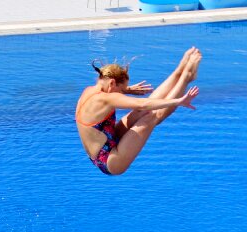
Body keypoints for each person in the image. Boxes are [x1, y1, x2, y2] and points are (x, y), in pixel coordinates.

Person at [75, 47, 201, 175]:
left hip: (105, 144)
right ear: (112, 83)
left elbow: (115, 96)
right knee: (152, 116)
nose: (121, 94)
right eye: (121, 90)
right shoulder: (107, 98)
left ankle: (178, 72)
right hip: (111, 161)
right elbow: (143, 104)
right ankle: (186, 77)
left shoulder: (89, 91)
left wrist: (126, 89)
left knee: (140, 112)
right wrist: (179, 101)